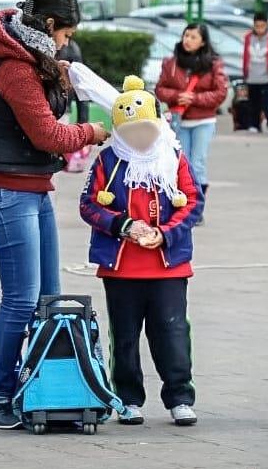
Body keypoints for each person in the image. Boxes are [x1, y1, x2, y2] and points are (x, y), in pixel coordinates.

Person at [0, 0, 109, 430]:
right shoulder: (13, 67)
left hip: (31, 187)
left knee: (49, 298)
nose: (67, 42)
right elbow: (48, 135)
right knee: (20, 300)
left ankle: (43, 386)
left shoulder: (31, 58)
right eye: (66, 33)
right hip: (3, 191)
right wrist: (92, 132)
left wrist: (61, 77)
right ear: (49, 26)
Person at [80, 76, 204, 426]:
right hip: (120, 268)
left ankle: (180, 396)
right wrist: (123, 226)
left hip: (169, 266)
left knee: (173, 332)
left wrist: (165, 234)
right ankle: (128, 398)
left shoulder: (174, 157)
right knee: (124, 337)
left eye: (145, 128)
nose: (139, 137)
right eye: (129, 130)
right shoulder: (107, 161)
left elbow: (193, 202)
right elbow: (89, 205)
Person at [155, 23, 227, 209]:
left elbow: (220, 93)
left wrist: (194, 98)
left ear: (203, 42)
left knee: (197, 163)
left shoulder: (212, 64)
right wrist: (177, 96)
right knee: (181, 164)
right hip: (179, 121)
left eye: (193, 37)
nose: (188, 40)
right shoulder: (171, 62)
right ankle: (182, 204)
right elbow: (160, 89)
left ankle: (196, 207)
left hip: (203, 121)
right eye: (186, 35)